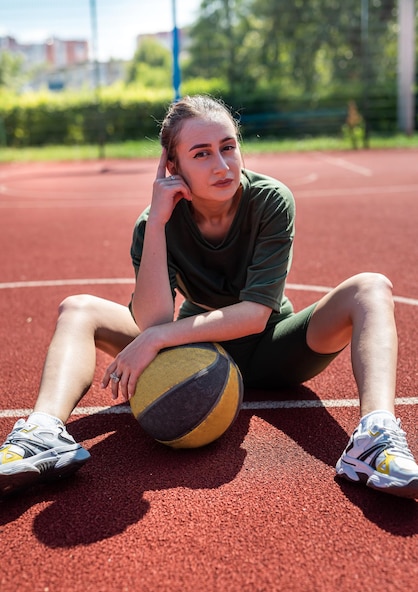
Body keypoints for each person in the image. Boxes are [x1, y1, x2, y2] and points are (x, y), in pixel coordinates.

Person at [1, 94, 417, 499]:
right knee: (77, 308)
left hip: (275, 348)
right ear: (172, 165)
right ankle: (43, 433)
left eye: (228, 147)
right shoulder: (153, 223)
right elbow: (153, 321)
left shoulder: (270, 200)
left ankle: (373, 439)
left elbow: (254, 315)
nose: (222, 165)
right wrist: (159, 221)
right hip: (195, 350)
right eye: (201, 154)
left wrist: (158, 339)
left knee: (370, 287)